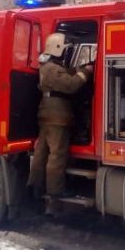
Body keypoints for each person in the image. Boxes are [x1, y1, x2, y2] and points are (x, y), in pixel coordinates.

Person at [27, 33, 93, 217]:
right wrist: (87, 72)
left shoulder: (49, 67)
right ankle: (55, 195)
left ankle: (36, 188)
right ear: (58, 49)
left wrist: (81, 68)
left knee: (41, 153)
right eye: (65, 49)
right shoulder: (53, 69)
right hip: (57, 117)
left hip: (48, 115)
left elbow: (67, 73)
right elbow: (71, 84)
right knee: (57, 155)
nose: (66, 52)